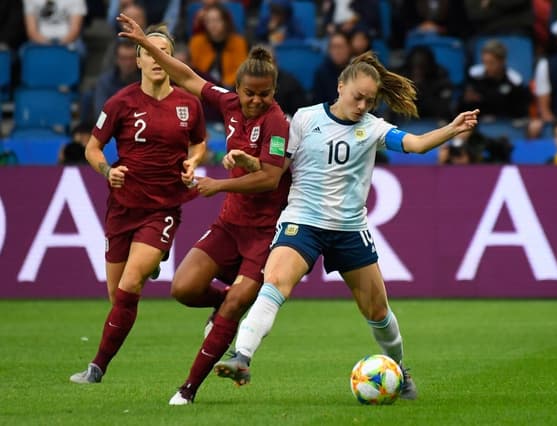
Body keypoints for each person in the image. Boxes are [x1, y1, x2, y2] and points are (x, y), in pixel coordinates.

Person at [213, 51, 480, 401]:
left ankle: (401, 370)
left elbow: (414, 145)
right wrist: (249, 161)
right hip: (302, 222)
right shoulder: (304, 121)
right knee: (276, 282)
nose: (362, 106)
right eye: (358, 97)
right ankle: (242, 357)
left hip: (349, 229)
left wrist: (452, 129)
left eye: (370, 100)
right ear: (340, 87)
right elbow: (275, 169)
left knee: (377, 310)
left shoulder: (372, 128)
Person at [116, 13, 292, 405]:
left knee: (237, 300)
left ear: (274, 91)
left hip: (265, 235)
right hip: (231, 225)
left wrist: (220, 184)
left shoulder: (278, 122)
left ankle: (188, 389)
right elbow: (186, 75)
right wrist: (146, 43)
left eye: (264, 94)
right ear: (237, 87)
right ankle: (220, 309)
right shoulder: (227, 103)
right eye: (249, 93)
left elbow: (270, 178)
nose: (255, 100)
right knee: (184, 288)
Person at [69, 24, 208, 384]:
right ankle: (151, 260)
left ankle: (97, 368)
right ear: (140, 59)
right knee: (118, 296)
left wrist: (193, 161)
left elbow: (198, 143)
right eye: (150, 50)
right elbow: (92, 148)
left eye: (163, 50)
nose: (157, 57)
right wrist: (106, 170)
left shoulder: (188, 104)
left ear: (170, 59)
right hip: (123, 206)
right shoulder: (121, 102)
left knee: (131, 284)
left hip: (162, 207)